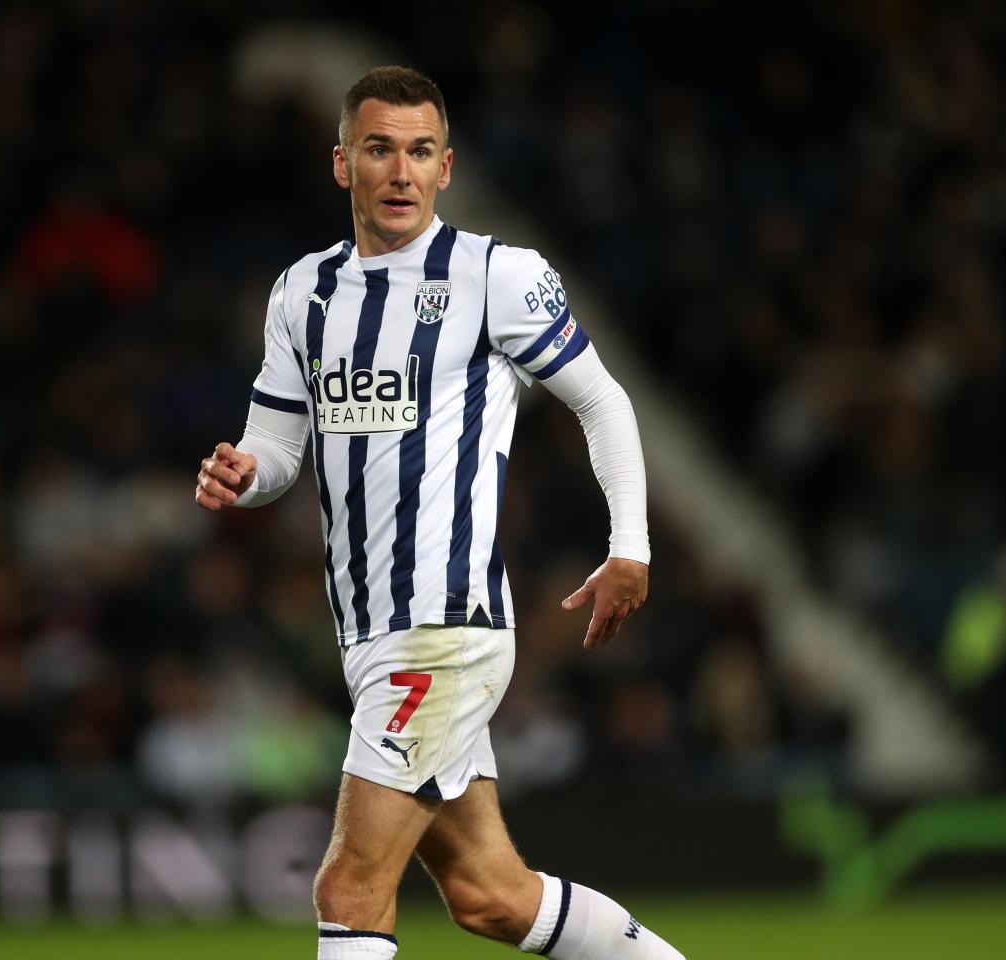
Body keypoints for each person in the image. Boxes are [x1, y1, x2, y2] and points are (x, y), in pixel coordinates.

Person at [195, 65, 684, 960]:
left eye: (420, 151)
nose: (400, 171)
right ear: (342, 163)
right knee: (490, 897)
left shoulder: (495, 274)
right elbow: (278, 449)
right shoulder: (302, 294)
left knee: (349, 883)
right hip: (369, 633)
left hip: (443, 628)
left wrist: (631, 546)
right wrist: (242, 473)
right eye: (378, 149)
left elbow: (602, 400)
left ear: (447, 166)